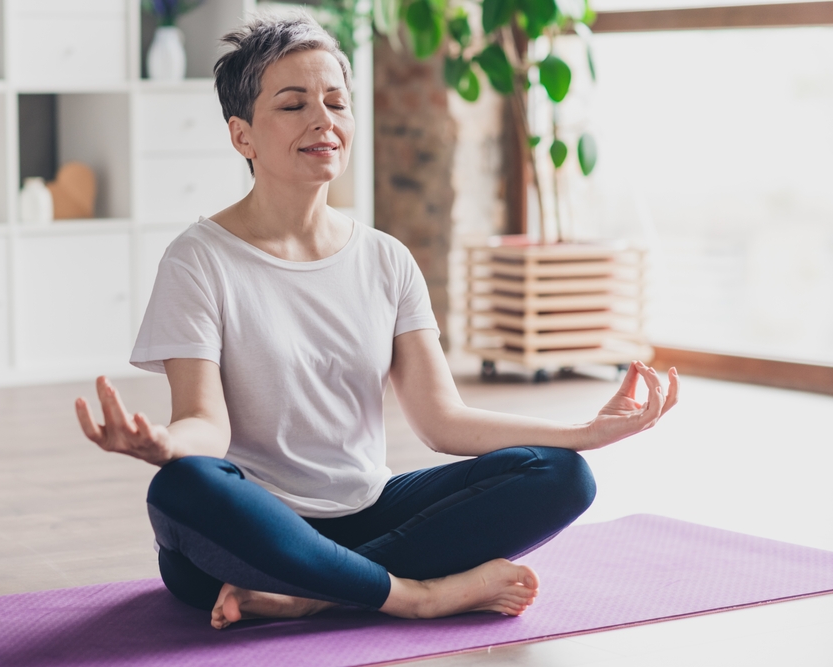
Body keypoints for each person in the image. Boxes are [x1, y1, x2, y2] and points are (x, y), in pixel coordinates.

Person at [75, 13, 679, 631]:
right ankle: (417, 596)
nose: (323, 121)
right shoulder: (199, 258)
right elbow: (207, 424)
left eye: (336, 101)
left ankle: (316, 594)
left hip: (368, 509)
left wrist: (585, 433)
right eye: (293, 105)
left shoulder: (386, 258)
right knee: (182, 490)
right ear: (242, 136)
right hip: (256, 528)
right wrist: (168, 446)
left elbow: (442, 422)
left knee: (562, 475)